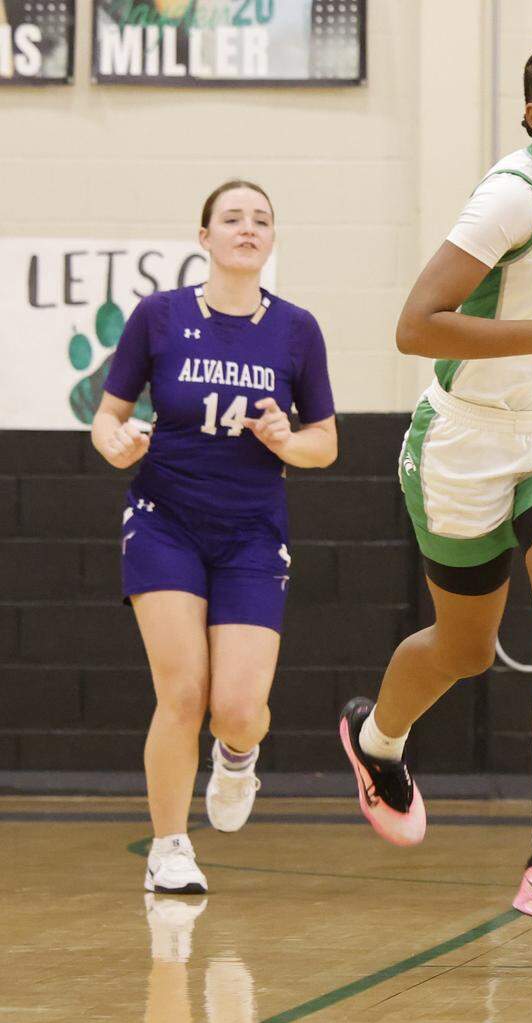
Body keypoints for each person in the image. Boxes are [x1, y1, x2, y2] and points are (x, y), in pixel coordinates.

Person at [338, 39, 532, 930]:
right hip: (467, 439)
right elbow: (415, 327)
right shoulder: (512, 195)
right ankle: (377, 738)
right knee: (466, 649)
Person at [92, 180, 337, 894]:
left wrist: (288, 439)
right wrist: (117, 443)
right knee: (184, 690)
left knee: (235, 707)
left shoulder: (296, 329)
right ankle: (169, 847)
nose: (247, 228)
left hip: (253, 532)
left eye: (261, 219)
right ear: (205, 237)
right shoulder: (159, 316)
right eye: (232, 218)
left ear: (272, 239)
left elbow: (326, 443)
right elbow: (107, 416)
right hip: (164, 518)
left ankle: (237, 755)